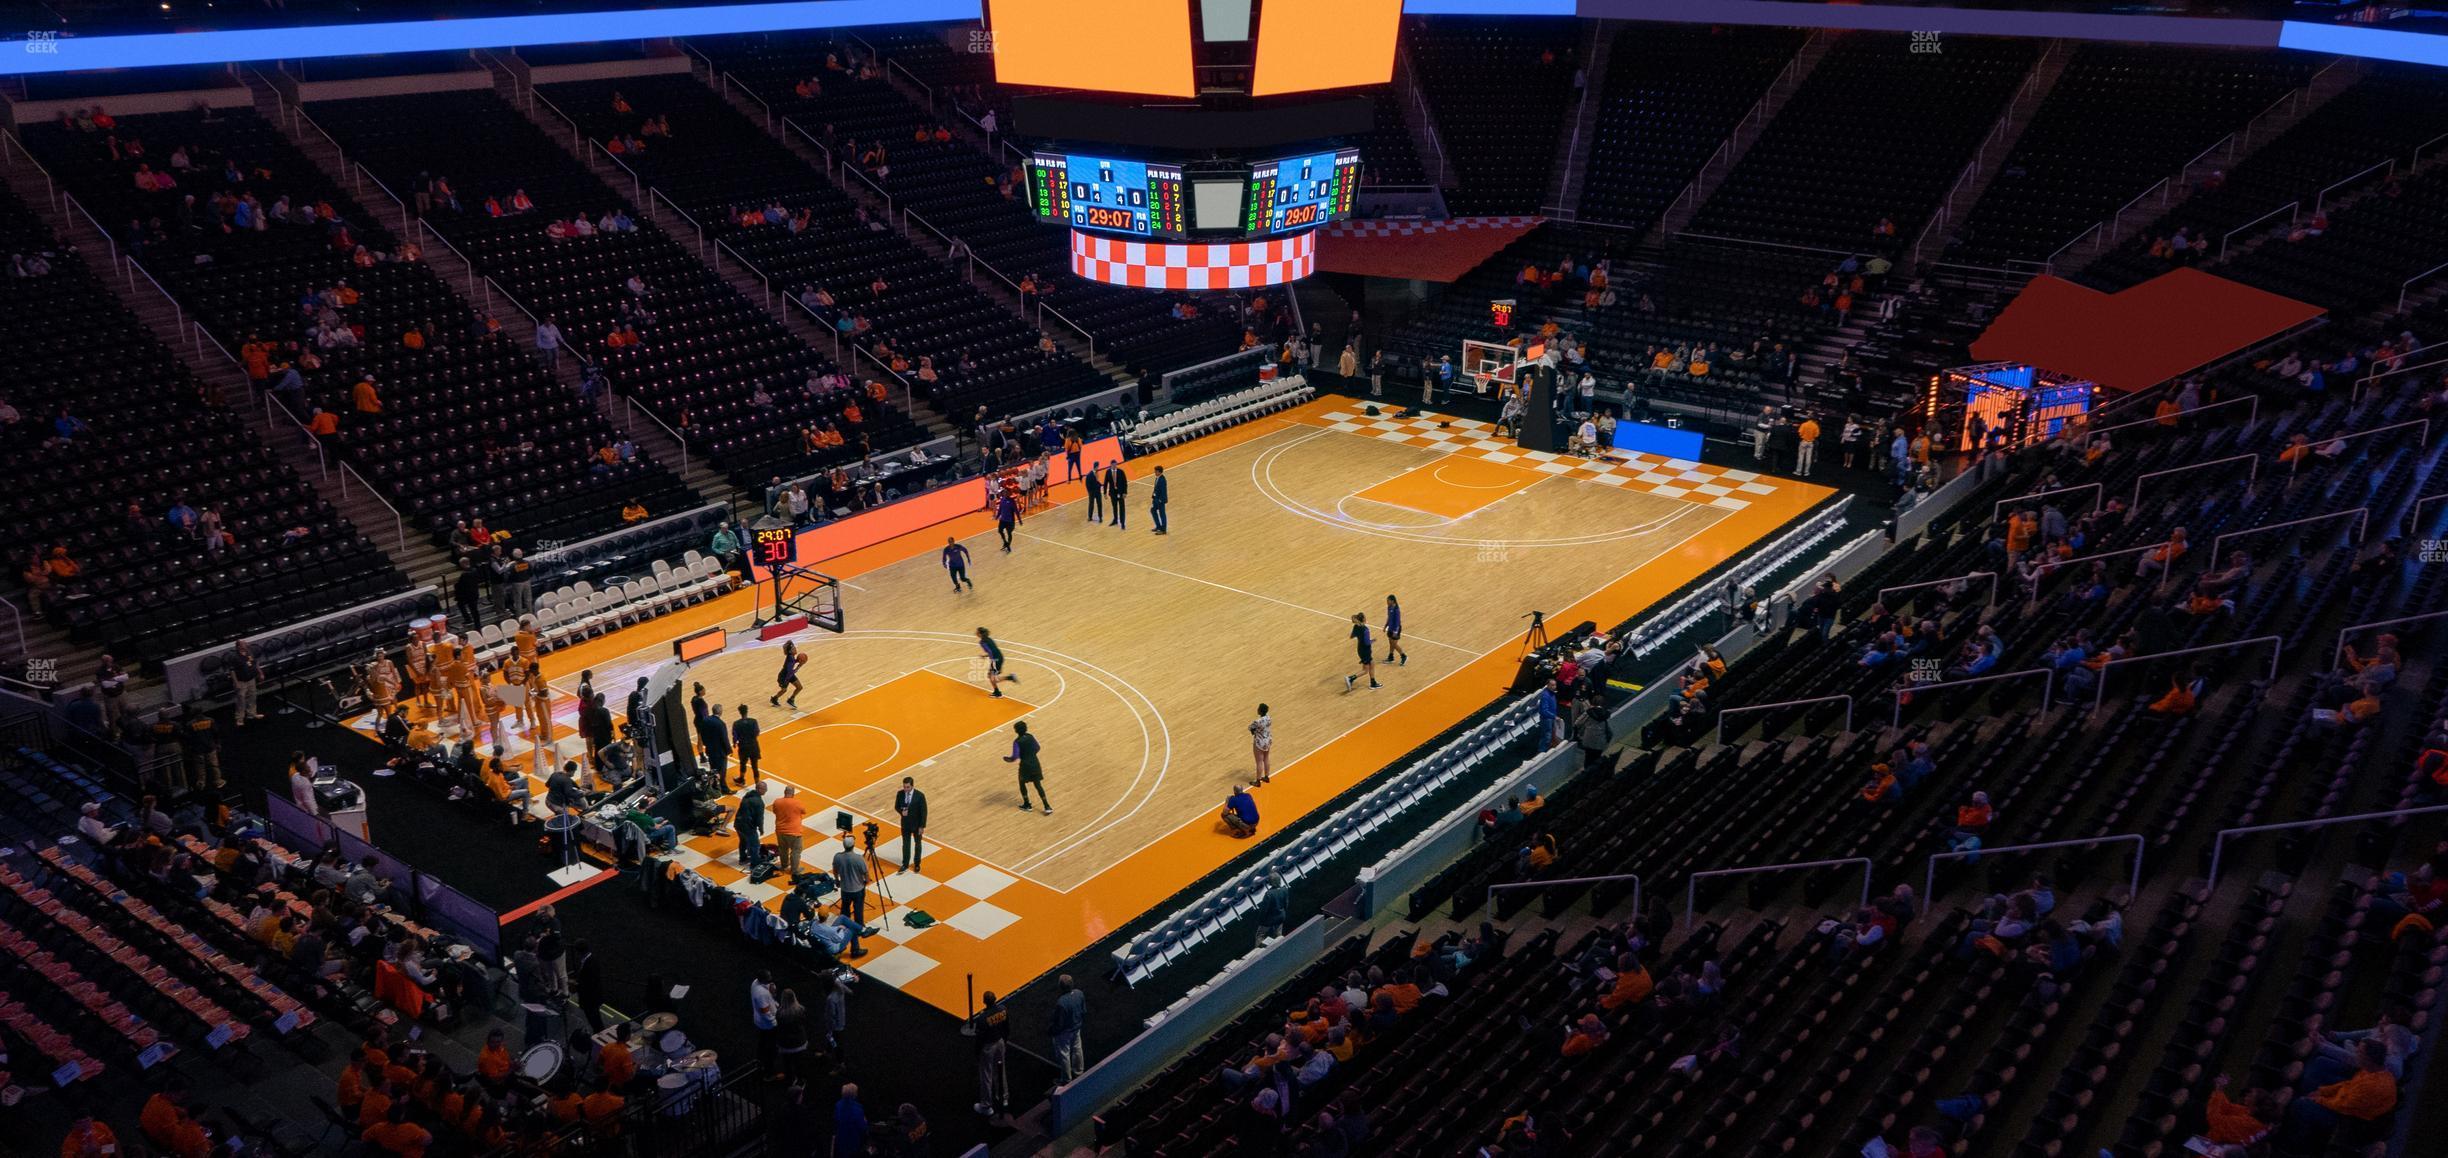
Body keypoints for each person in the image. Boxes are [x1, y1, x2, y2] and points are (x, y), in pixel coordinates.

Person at [971, 989, 1012, 1116]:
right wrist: (1004, 1040)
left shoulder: (982, 1018)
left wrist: (977, 1052)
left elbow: (980, 1038)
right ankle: (1004, 1097)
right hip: (1000, 1042)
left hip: (988, 1046)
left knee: (986, 1075)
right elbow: (1007, 1027)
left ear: (984, 1002)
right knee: (1001, 1070)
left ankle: (986, 1104)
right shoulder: (1003, 1010)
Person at [830, 831, 870, 958]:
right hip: (858, 889)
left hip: (845, 889)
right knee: (859, 911)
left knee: (845, 911)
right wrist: (866, 882)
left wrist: (837, 880)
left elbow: (835, 871)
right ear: (853, 846)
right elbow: (866, 875)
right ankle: (859, 928)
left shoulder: (837, 857)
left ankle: (844, 927)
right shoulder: (859, 859)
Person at [1006, 720, 1050, 812]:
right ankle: (1047, 806)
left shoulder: (1017, 742)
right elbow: (1038, 747)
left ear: (1016, 731)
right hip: (1035, 763)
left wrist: (1008, 759)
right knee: (1038, 784)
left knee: (1022, 783)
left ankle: (1027, 804)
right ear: (1026, 728)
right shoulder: (1030, 736)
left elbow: (1015, 756)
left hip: (1025, 766)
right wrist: (1031, 754)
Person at [1050, 975, 1087, 1082]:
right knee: (1077, 1049)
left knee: (1064, 1054)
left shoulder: (1061, 1002)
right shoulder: (1079, 993)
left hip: (1065, 1032)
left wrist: (1053, 1031)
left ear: (1061, 987)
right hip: (1076, 1027)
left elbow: (1059, 1022)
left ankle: (1066, 1078)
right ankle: (1079, 1072)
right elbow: (1084, 1011)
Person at [771, 785, 809, 880]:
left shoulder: (777, 802)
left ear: (784, 792)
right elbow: (804, 811)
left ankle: (784, 866)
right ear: (793, 793)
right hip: (794, 832)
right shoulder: (797, 803)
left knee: (783, 849)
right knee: (795, 851)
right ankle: (794, 870)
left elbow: (775, 811)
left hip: (780, 831)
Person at [894, 776, 927, 872]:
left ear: (912, 786)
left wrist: (922, 826)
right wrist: (901, 812)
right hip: (905, 824)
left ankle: (917, 864)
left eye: (907, 787)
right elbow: (896, 806)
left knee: (918, 844)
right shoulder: (900, 794)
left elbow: (924, 812)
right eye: (904, 787)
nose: (905, 789)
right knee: (906, 844)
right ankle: (905, 863)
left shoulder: (920, 796)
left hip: (917, 825)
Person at [735, 778, 766, 875]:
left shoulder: (747, 796)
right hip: (748, 826)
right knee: (754, 845)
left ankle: (742, 858)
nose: (766, 791)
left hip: (738, 824)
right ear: (760, 789)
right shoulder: (759, 802)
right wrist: (761, 829)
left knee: (743, 841)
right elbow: (759, 818)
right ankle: (754, 864)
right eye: (764, 789)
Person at [976, 627, 1017, 698]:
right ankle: (997, 691)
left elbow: (990, 652)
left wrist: (992, 661)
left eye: (977, 632)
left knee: (993, 678)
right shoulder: (989, 639)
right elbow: (993, 650)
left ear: (980, 634)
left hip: (996, 660)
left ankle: (1000, 691)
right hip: (1000, 657)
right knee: (990, 676)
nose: (975, 633)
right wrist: (986, 656)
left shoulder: (982, 642)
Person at [1345, 613, 1381, 691]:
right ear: (1363, 619)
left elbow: (1351, 636)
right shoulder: (1365, 629)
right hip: (1365, 650)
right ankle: (1350, 678)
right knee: (1365, 670)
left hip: (1360, 649)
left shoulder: (1356, 626)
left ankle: (1373, 683)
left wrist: (1359, 636)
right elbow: (1367, 643)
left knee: (1372, 664)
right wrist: (1373, 641)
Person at [834, 1084, 870, 1157]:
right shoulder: (857, 1107)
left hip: (840, 1139)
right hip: (853, 1140)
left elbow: (836, 1120)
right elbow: (862, 1126)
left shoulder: (838, 1105)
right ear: (855, 1094)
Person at [733, 704, 763, 780]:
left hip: (743, 746)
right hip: (753, 745)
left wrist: (734, 743)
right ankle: (757, 782)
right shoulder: (753, 721)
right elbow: (757, 732)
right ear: (747, 711)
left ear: (740, 712)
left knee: (743, 764)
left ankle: (741, 779)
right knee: (755, 766)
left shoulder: (736, 724)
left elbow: (735, 737)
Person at [771, 641, 804, 709]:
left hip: (788, 675)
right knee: (784, 690)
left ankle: (791, 699)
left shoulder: (791, 655)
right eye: (794, 649)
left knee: (799, 687)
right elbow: (790, 672)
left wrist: (790, 642)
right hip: (784, 677)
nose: (795, 649)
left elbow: (786, 645)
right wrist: (799, 666)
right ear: (791, 651)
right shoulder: (790, 659)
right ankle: (774, 699)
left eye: (795, 648)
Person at [1249, 703, 1275, 785]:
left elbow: (1250, 727)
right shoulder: (1269, 718)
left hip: (1260, 742)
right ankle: (1266, 777)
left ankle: (1258, 781)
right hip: (1268, 740)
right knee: (1266, 758)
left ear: (1260, 711)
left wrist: (1254, 731)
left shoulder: (1257, 722)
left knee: (1259, 761)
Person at [1383, 595, 1407, 666]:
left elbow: (1397, 622)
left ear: (1392, 601)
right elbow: (1389, 617)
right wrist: (1385, 626)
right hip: (1390, 628)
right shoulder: (1389, 607)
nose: (1387, 602)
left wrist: (1395, 632)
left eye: (1388, 601)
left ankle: (1403, 656)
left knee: (1394, 644)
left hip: (1395, 629)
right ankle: (1391, 657)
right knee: (1391, 643)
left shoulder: (1396, 610)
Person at [1106, 463, 1129, 529]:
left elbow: (1125, 482)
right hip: (1113, 494)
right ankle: (1115, 520)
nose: (1114, 466)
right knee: (1114, 507)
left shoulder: (1121, 472)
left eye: (1115, 465)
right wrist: (1105, 492)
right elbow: (1106, 482)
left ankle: (1123, 523)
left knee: (1122, 508)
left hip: (1121, 493)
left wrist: (1125, 492)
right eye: (1112, 465)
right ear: (1111, 465)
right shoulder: (1108, 472)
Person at [1149, 464, 1169, 534]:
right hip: (1156, 500)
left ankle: (1163, 530)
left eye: (1155, 471)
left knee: (1162, 514)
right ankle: (1158, 526)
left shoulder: (1162, 480)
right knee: (1153, 510)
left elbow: (1163, 491)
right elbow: (1155, 489)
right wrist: (1153, 498)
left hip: (1160, 500)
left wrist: (1161, 500)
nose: (1154, 473)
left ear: (1159, 472)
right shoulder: (1157, 478)